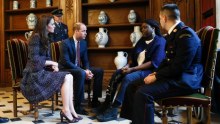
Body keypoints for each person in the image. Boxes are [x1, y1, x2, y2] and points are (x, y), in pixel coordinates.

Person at [122, 4, 203, 124]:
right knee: (132, 86)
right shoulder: (175, 34)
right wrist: (156, 73)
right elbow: (167, 61)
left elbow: (179, 67)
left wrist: (156, 76)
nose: (160, 21)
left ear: (164, 18)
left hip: (185, 80)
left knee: (143, 93)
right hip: (175, 75)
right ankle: (136, 121)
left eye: (160, 18)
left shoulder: (186, 35)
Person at [96, 19, 166, 122]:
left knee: (128, 78)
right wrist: (127, 65)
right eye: (142, 28)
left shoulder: (160, 41)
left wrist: (132, 69)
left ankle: (114, 109)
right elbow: (133, 57)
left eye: (145, 27)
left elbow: (153, 63)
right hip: (135, 68)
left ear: (153, 28)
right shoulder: (141, 41)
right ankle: (107, 103)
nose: (143, 30)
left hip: (150, 71)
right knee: (117, 73)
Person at [20, 15, 82, 123]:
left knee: (69, 76)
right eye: (52, 24)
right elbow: (34, 60)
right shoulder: (35, 37)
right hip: (33, 76)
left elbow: (46, 58)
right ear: (46, 25)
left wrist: (53, 66)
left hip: (41, 71)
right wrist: (53, 62)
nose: (54, 26)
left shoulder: (45, 38)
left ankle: (71, 110)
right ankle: (66, 110)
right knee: (67, 77)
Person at [59, 22, 104, 115]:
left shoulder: (83, 43)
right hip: (66, 69)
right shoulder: (65, 43)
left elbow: (86, 60)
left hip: (79, 69)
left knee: (99, 71)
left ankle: (95, 101)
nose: (86, 33)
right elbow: (66, 62)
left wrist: (87, 70)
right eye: (83, 31)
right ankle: (78, 106)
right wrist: (83, 71)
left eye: (86, 31)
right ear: (76, 31)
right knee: (81, 73)